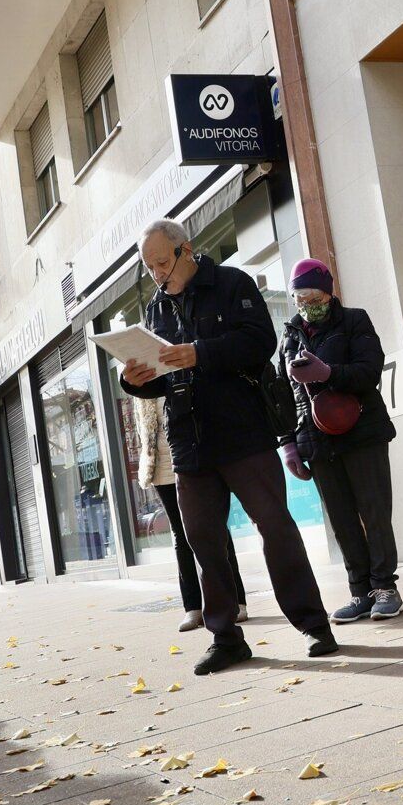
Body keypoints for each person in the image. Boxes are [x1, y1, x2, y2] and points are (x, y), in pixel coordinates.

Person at [118, 219, 337, 675]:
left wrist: (200, 352)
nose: (156, 273)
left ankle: (314, 625)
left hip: (243, 432)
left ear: (186, 250)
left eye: (162, 261)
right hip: (189, 442)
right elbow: (160, 378)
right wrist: (133, 381)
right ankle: (226, 637)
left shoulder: (232, 283)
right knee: (203, 540)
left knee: (275, 526)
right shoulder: (157, 308)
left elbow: (260, 342)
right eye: (149, 266)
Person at [276, 259, 403, 622]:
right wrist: (289, 443)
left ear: (329, 293)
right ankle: (360, 591)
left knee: (374, 511)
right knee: (342, 519)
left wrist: (329, 372)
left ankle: (385, 587)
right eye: (299, 297)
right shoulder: (289, 336)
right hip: (316, 440)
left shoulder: (354, 321)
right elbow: (283, 395)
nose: (307, 303)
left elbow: (369, 370)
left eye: (314, 295)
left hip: (362, 431)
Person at [136, 392, 248, 632]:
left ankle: (236, 601)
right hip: (163, 467)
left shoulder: (184, 363)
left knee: (215, 529)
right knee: (180, 535)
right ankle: (193, 607)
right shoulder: (144, 376)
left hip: (196, 459)